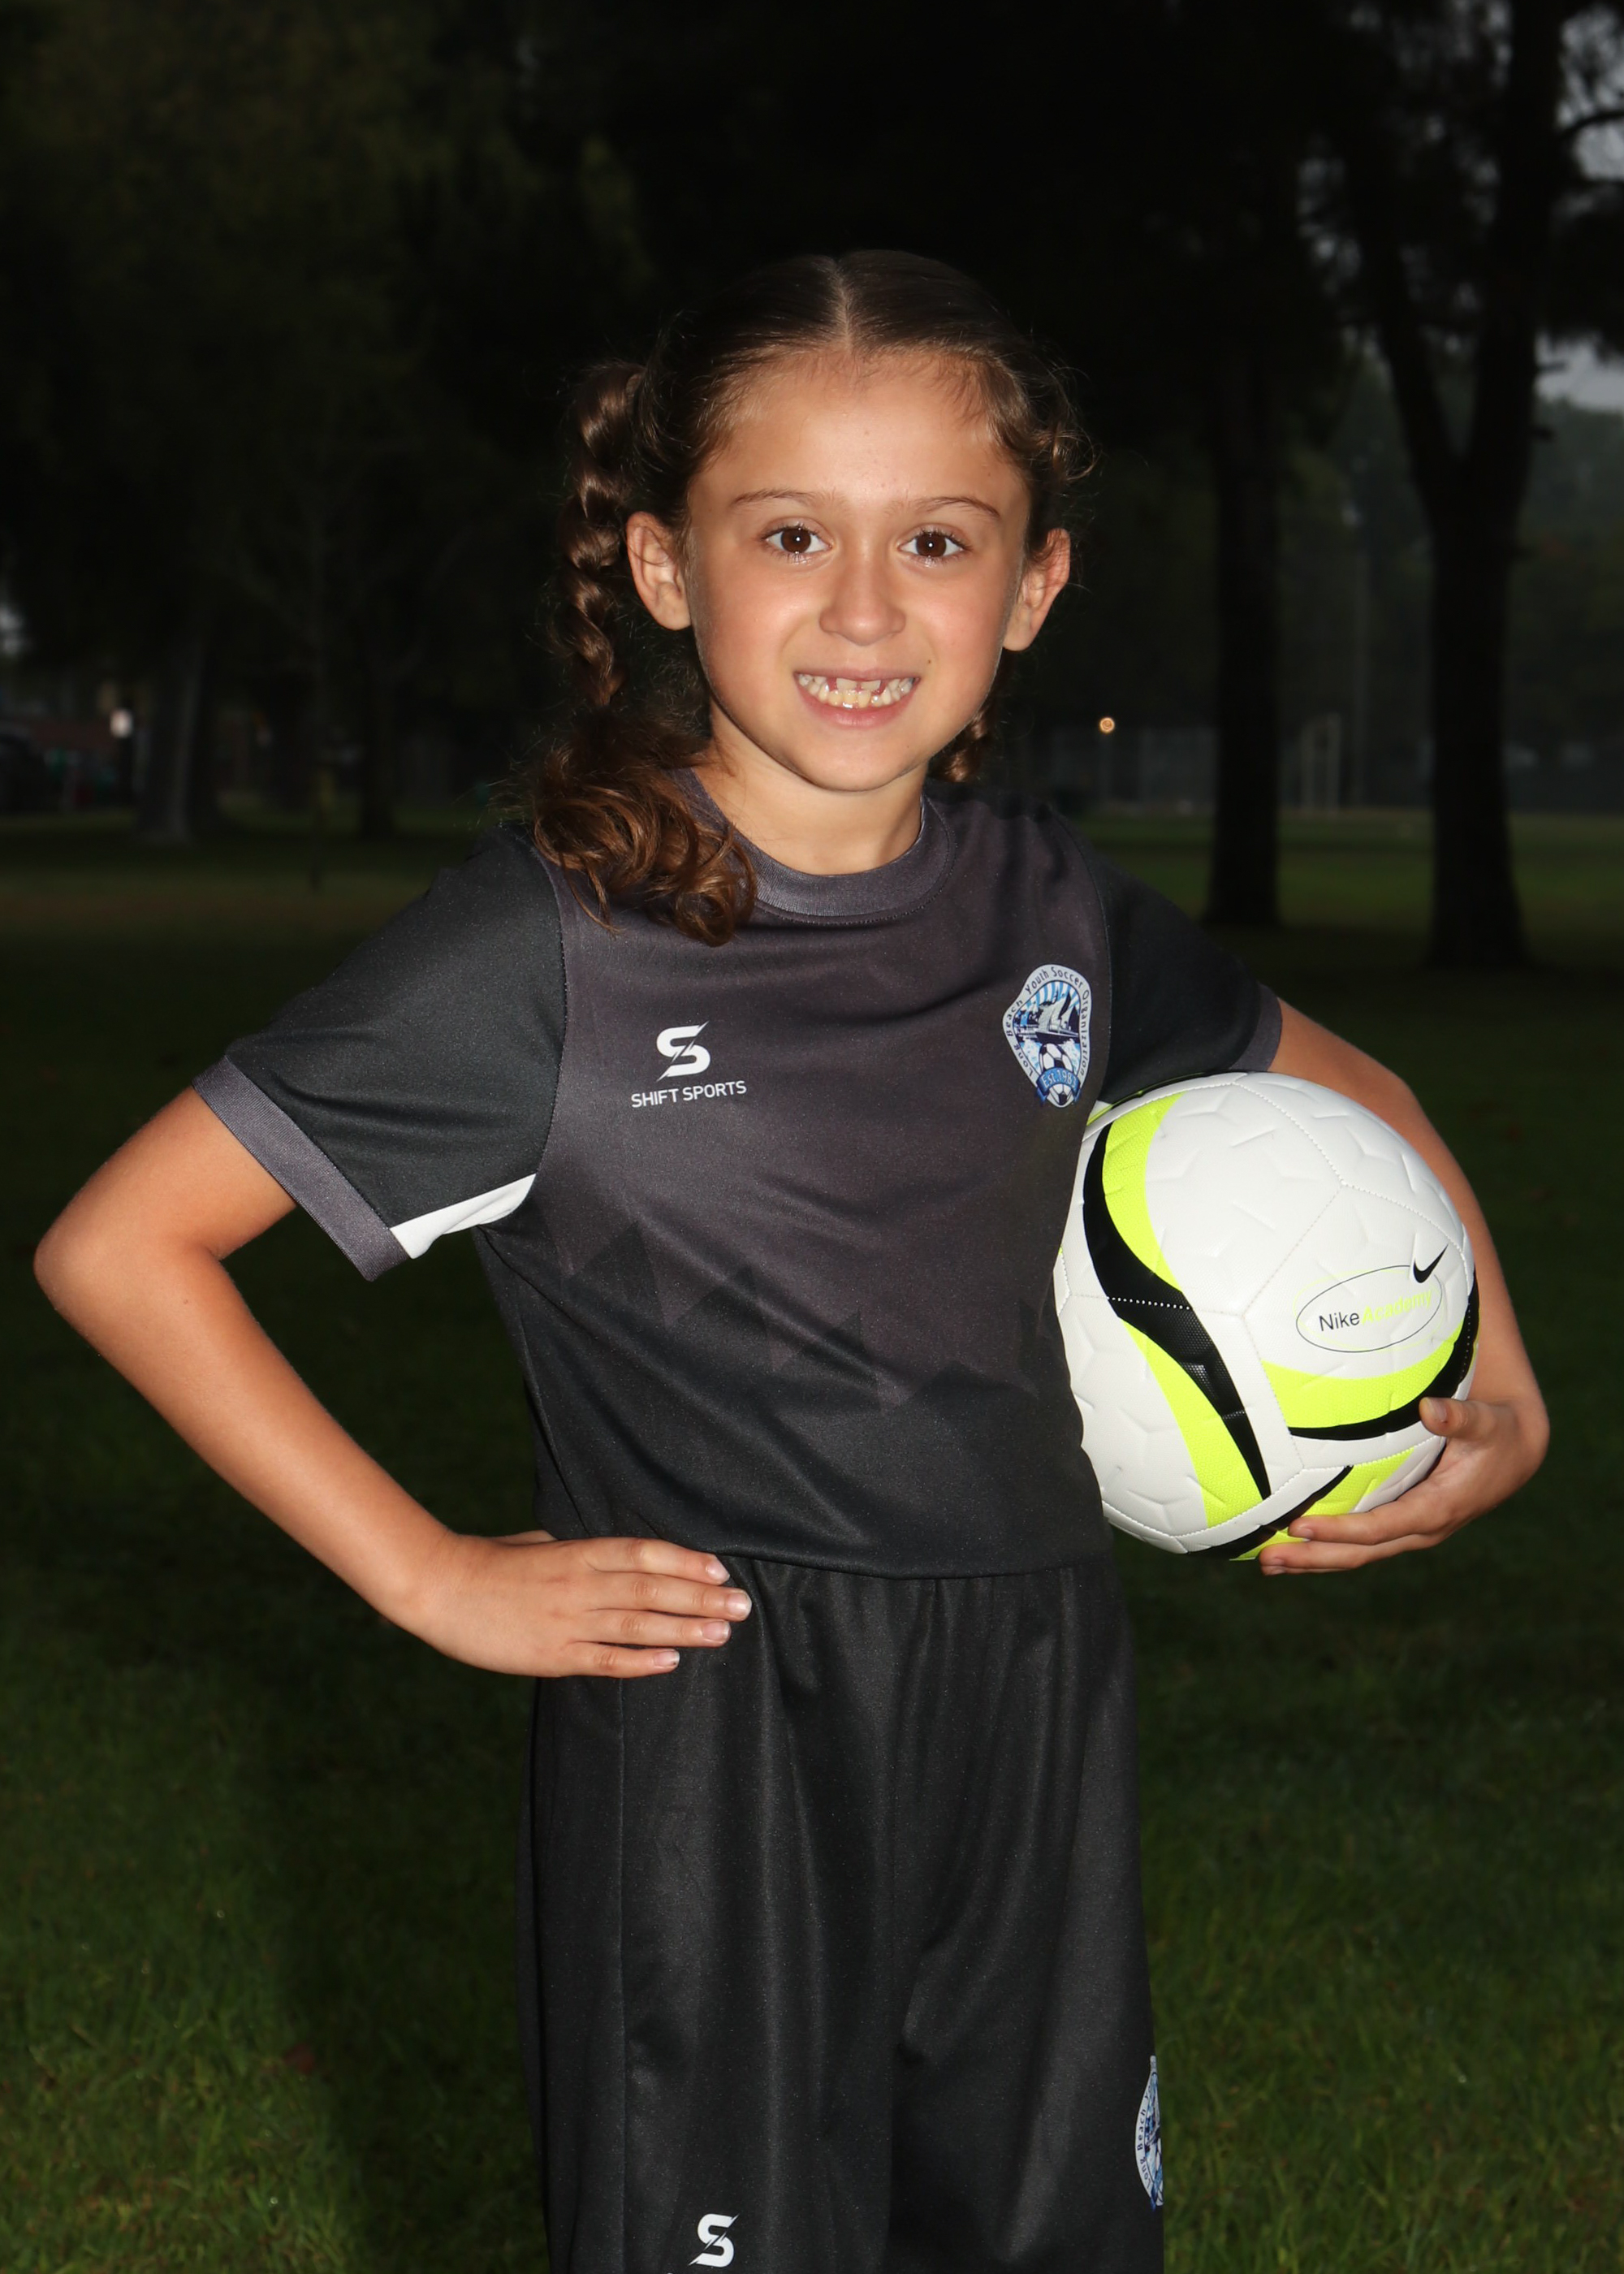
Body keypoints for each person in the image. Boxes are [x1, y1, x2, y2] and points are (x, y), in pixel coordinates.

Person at [35, 252, 1548, 2273]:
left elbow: (1363, 1095)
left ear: (1033, 586)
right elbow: (123, 1245)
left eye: (936, 540)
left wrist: (1505, 1395)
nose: (861, 609)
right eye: (788, 535)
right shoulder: (549, 949)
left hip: (1034, 1706)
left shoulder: (1055, 911)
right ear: (666, 566)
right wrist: (428, 1571)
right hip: (714, 1737)